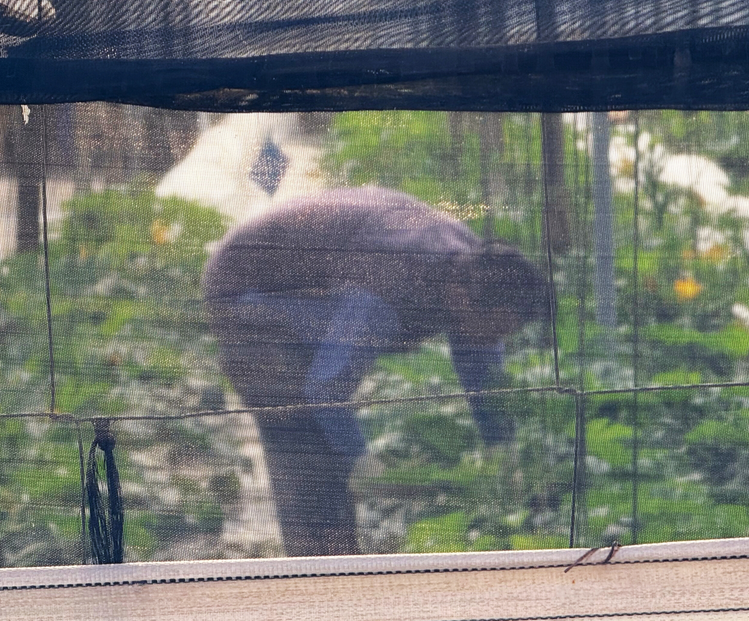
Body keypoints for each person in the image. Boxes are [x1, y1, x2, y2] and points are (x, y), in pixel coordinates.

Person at [202, 186, 550, 556]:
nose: (495, 341)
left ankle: (337, 556)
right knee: (297, 427)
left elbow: (482, 369)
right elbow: (326, 390)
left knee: (330, 445)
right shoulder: (389, 288)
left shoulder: (470, 268)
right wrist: (365, 463)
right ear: (462, 298)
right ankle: (314, 568)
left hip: (314, 279)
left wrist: (504, 449)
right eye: (494, 329)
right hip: (244, 287)